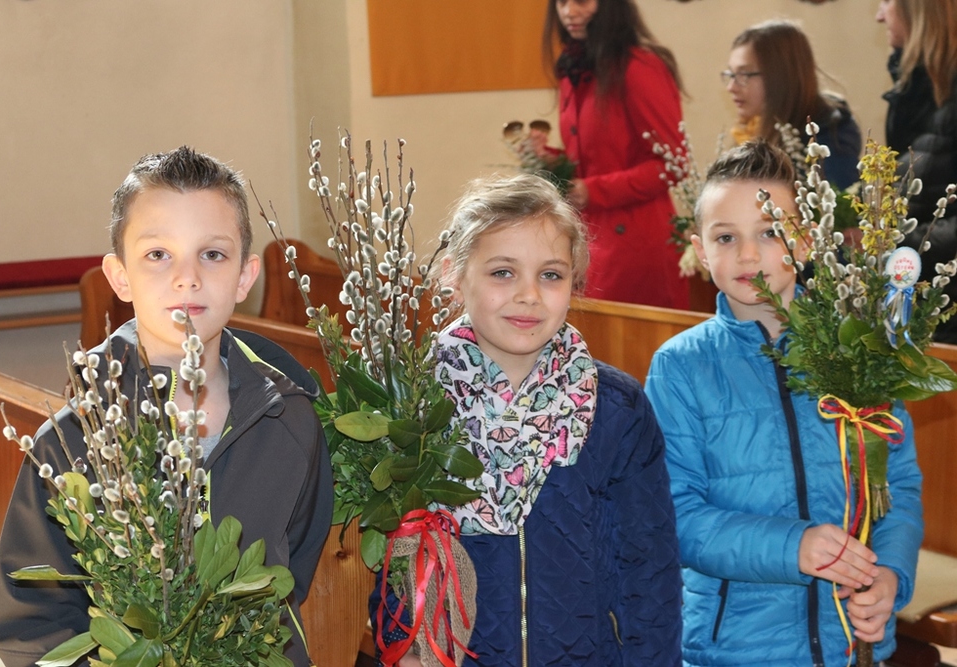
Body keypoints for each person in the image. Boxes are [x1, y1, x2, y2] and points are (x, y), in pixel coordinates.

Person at [0, 146, 334, 667]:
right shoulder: (72, 443)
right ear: (119, 276)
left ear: (245, 276)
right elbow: (31, 624)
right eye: (158, 255)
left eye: (212, 254)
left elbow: (292, 573)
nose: (187, 277)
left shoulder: (290, 419)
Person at [370, 173, 683, 666]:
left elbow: (651, 571)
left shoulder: (616, 407)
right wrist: (402, 646)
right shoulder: (412, 405)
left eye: (551, 275)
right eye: (503, 272)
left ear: (574, 282)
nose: (529, 294)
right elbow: (387, 561)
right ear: (454, 274)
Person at [644, 141, 923, 666]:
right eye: (726, 237)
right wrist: (791, 547)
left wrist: (890, 575)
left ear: (807, 239)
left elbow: (897, 486)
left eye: (771, 232)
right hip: (734, 649)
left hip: (851, 642)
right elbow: (674, 514)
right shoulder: (680, 367)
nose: (749, 255)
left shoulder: (858, 348)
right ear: (700, 251)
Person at [544, 0, 689, 309]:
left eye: (581, 1)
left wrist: (594, 190)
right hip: (590, 237)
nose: (569, 12)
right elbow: (594, 157)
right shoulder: (574, 67)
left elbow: (674, 163)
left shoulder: (640, 66)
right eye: (562, 2)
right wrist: (547, 159)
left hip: (637, 245)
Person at [877, 0, 957, 344]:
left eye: (886, 1)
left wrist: (894, 243)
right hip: (920, 298)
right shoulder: (915, 88)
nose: (880, 15)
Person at [725, 19, 862, 190]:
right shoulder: (751, 128)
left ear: (780, 77)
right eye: (731, 74)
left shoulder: (828, 141)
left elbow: (837, 202)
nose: (731, 87)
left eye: (744, 74)